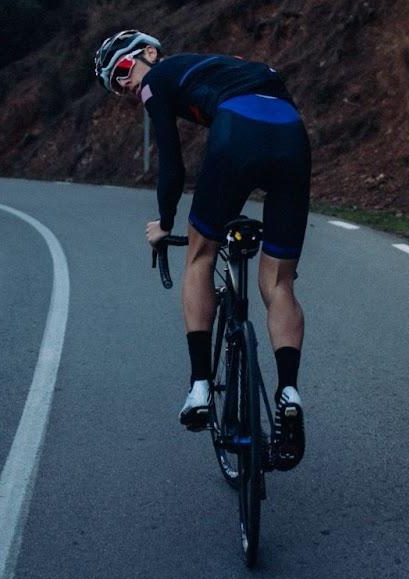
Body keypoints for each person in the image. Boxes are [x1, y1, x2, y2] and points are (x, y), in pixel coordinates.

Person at [94, 29, 311, 469]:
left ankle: (198, 387)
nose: (124, 87)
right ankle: (289, 390)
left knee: (200, 254)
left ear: (150, 54)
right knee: (279, 279)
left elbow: (171, 163)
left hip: (237, 131)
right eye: (114, 87)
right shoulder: (232, 64)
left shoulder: (159, 78)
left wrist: (164, 224)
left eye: (122, 71)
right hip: (292, 136)